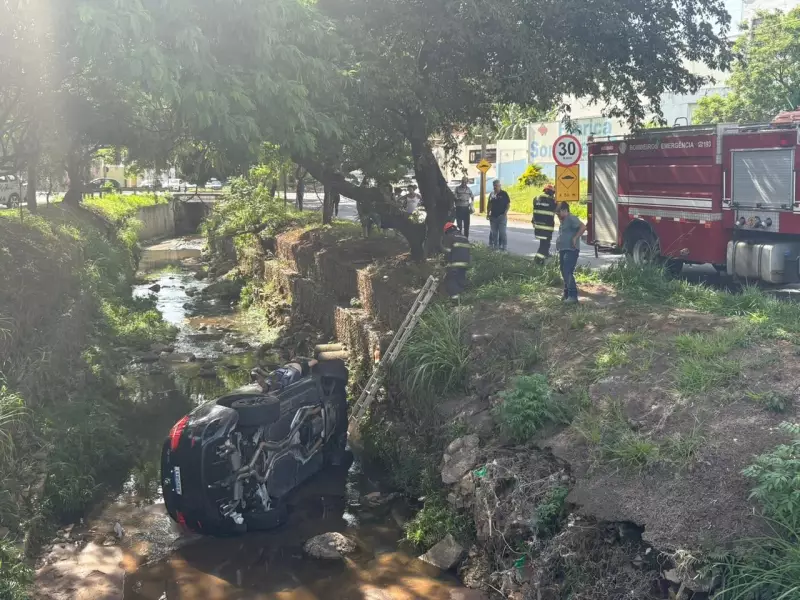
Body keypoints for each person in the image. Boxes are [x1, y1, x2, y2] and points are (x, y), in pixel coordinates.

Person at [556, 202, 586, 304]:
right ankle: (567, 294)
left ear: (565, 210)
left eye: (559, 213)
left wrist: (575, 237)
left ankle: (573, 296)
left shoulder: (571, 218)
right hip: (564, 249)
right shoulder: (563, 220)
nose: (558, 216)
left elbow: (583, 227)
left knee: (567, 270)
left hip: (571, 250)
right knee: (563, 271)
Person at [251, 358, 319, 393]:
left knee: (273, 378)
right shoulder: (303, 364)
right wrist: (308, 359)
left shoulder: (301, 364)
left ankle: (266, 385)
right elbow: (315, 361)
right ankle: (267, 386)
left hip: (283, 369)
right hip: (292, 370)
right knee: (283, 381)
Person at [442, 222, 471, 300]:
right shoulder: (464, 237)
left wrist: (445, 263)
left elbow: (447, 252)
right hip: (465, 263)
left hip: (455, 263)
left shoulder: (450, 237)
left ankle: (455, 299)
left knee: (451, 279)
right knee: (460, 279)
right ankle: (462, 298)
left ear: (447, 231)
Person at [532, 183, 557, 263]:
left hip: (538, 226)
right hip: (547, 227)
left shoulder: (536, 198)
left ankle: (544, 256)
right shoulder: (552, 201)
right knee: (545, 245)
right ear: (551, 192)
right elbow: (557, 209)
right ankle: (537, 260)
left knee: (543, 243)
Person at [488, 180, 510, 251]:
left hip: (501, 216)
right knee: (494, 233)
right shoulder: (491, 194)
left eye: (496, 186)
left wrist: (505, 213)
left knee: (502, 232)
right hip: (493, 217)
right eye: (494, 186)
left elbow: (508, 205)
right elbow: (489, 205)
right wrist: (488, 213)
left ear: (500, 186)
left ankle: (504, 247)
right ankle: (495, 247)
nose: (495, 187)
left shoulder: (504, 194)